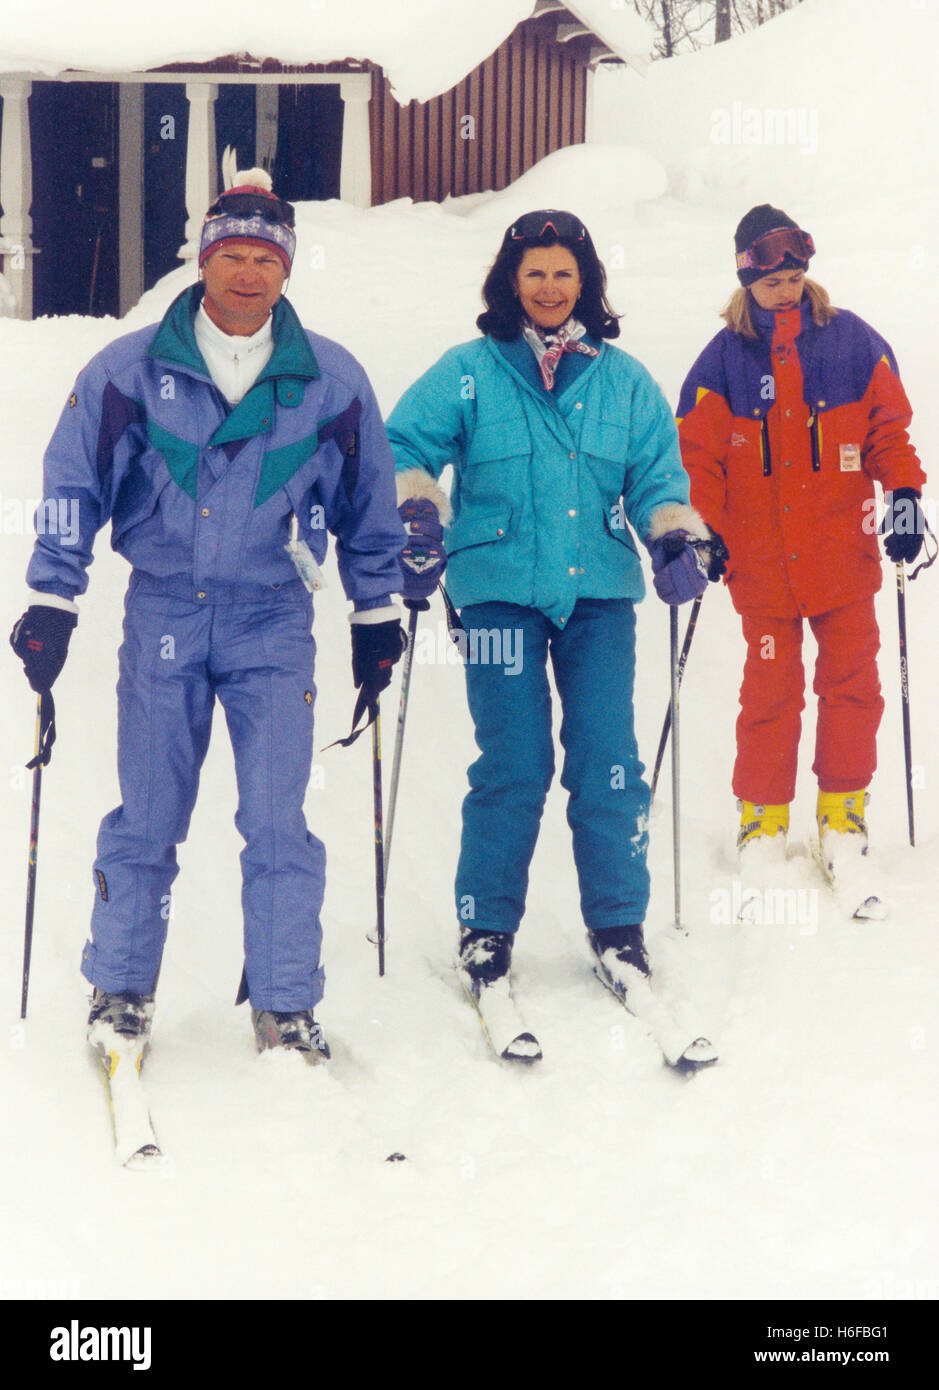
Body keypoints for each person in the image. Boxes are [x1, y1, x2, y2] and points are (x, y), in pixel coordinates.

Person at [10, 170, 406, 1062]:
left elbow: (370, 504)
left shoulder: (331, 381)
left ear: (287, 268)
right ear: (202, 257)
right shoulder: (128, 370)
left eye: (266, 257)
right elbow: (72, 485)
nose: (248, 273)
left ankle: (283, 1003)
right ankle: (119, 990)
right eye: (232, 253)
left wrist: (376, 610)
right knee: (147, 816)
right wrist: (51, 595)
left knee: (276, 821)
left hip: (274, 620)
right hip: (164, 614)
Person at [386, 209, 721, 1003]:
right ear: (509, 281)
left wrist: (675, 535)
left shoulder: (624, 377)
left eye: (562, 273)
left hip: (598, 593)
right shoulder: (468, 369)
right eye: (532, 272)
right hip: (495, 589)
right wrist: (416, 507)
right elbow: (402, 444)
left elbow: (656, 481)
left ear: (586, 282)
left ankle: (617, 929)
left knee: (608, 763)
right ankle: (485, 929)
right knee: (514, 762)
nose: (546, 286)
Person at [676, 204, 926, 876]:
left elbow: (886, 432)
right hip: (760, 569)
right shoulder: (719, 362)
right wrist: (702, 532)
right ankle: (762, 818)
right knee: (769, 692)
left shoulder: (852, 342)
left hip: (842, 560)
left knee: (851, 687)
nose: (783, 290)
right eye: (769, 282)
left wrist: (902, 495)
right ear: (744, 282)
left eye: (792, 277)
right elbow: (697, 461)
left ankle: (841, 811)